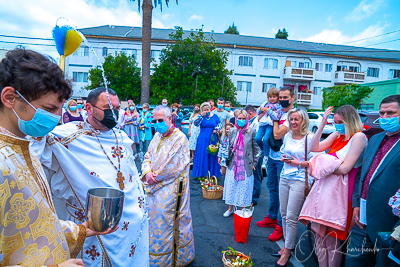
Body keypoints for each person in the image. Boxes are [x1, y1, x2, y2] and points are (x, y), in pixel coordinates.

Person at [0, 49, 114, 266]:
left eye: (58, 110)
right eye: (48, 108)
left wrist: (81, 230)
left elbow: (35, 222)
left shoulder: (26, 148)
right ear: (9, 98)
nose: (55, 119)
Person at [33, 87, 150, 267]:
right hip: (90, 224)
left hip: (129, 225)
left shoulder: (121, 136)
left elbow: (130, 174)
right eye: (108, 108)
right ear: (88, 108)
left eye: (117, 109)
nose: (114, 113)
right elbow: (33, 150)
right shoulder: (65, 137)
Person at [301, 105, 367, 267]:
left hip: (343, 195)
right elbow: (314, 147)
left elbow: (346, 168)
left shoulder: (358, 137)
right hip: (326, 192)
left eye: (340, 122)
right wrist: (323, 122)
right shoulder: (338, 135)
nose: (337, 125)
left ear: (350, 121)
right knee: (319, 239)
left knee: (333, 242)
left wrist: (320, 163)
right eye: (335, 121)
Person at [344, 95, 400, 267]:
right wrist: (356, 204)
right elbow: (363, 173)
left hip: (388, 224)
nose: (384, 117)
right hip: (362, 219)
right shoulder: (375, 138)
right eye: (382, 113)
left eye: (391, 113)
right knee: (353, 263)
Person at [142, 105, 195, 266]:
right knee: (153, 220)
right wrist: (147, 172)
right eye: (155, 120)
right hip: (154, 185)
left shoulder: (179, 138)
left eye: (160, 120)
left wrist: (154, 178)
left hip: (171, 189)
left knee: (168, 220)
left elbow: (172, 166)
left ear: (169, 119)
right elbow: (147, 156)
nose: (157, 123)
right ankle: (154, 256)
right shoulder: (157, 136)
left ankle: (172, 259)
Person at [274, 107, 314, 266]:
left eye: (296, 119)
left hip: (299, 179)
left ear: (303, 120)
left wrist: (298, 163)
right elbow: (284, 151)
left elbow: (315, 161)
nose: (293, 122)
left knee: (291, 216)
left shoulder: (310, 138)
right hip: (285, 176)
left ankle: (287, 250)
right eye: (291, 119)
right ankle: (286, 245)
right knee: (283, 213)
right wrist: (284, 156)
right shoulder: (288, 135)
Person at [257, 86, 296, 242]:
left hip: (284, 159)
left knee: (283, 192)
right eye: (280, 97)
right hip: (273, 156)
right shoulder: (278, 111)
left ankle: (281, 225)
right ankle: (272, 216)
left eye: (285, 97)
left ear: (293, 98)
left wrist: (273, 119)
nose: (282, 100)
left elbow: (278, 134)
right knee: (272, 187)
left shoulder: (293, 114)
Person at [223, 109, 260, 217]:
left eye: (243, 119)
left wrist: (254, 163)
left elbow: (256, 149)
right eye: (239, 119)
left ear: (247, 119)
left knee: (243, 189)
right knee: (232, 186)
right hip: (233, 164)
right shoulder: (233, 131)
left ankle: (240, 211)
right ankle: (230, 208)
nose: (241, 121)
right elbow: (229, 147)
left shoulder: (251, 131)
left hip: (246, 165)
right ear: (236, 119)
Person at [256, 87, 284, 169]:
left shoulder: (279, 106)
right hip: (262, 123)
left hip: (270, 124)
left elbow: (277, 116)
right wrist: (261, 109)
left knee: (265, 139)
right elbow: (258, 111)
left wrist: (268, 110)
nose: (272, 99)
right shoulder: (265, 103)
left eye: (274, 97)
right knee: (257, 138)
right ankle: (262, 149)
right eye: (270, 97)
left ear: (278, 97)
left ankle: (266, 156)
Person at [192, 102, 222, 178]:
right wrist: (201, 116)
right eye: (204, 110)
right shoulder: (201, 116)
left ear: (210, 109)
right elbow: (195, 123)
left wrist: (217, 129)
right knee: (202, 154)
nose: (206, 111)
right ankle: (201, 174)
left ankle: (213, 173)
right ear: (202, 110)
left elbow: (219, 124)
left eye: (207, 109)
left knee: (212, 154)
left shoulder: (215, 116)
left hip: (212, 138)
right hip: (203, 138)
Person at [244, 105, 263, 206]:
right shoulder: (254, 121)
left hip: (257, 153)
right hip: (252, 152)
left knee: (256, 175)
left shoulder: (258, 122)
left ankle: (254, 198)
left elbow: (257, 139)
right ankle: (251, 195)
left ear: (249, 113)